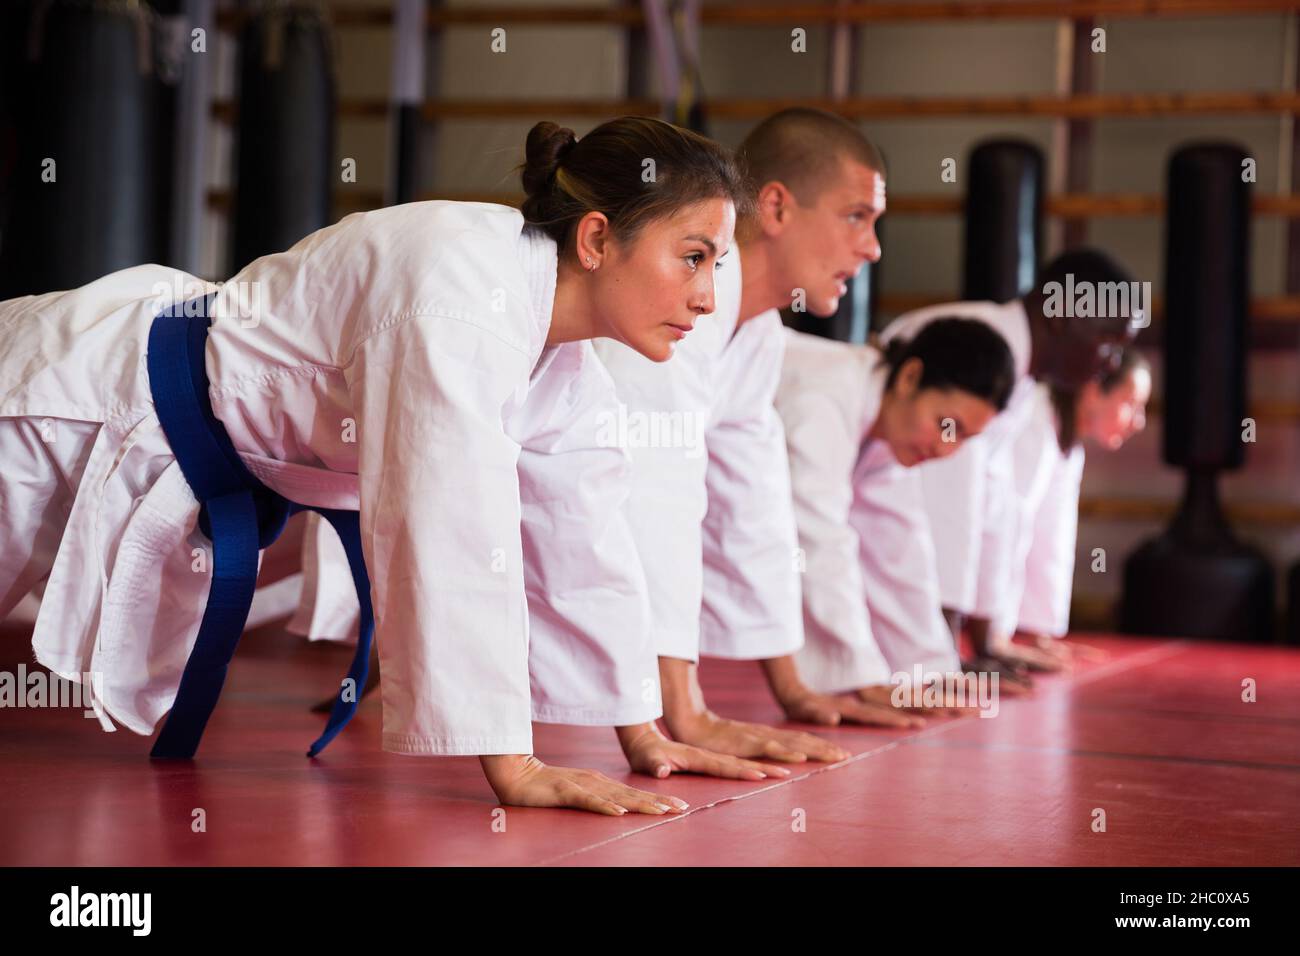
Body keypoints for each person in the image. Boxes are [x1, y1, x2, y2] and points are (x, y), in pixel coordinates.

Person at [0, 115, 751, 816]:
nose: (709, 297)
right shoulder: (460, 299)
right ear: (595, 239)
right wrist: (513, 766)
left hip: (160, 425)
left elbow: (582, 537)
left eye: (716, 264)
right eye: (692, 257)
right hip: (62, 398)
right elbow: (449, 522)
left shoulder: (558, 363)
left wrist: (640, 733)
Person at [875, 249, 1143, 681]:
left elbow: (996, 506)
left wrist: (986, 644)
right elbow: (949, 505)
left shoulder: (1021, 374)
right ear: (1062, 315)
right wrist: (941, 657)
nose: (1109, 364)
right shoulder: (983, 345)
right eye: (1109, 341)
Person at [768, 319, 1016, 711]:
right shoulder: (828, 393)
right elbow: (818, 536)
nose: (947, 449)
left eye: (964, 438)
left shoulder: (888, 423)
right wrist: (861, 674)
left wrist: (930, 668)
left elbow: (898, 546)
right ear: (910, 376)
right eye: (947, 425)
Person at [990, 347, 1152, 672]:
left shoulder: (1066, 442)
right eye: (1130, 403)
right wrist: (993, 638)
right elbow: (1006, 526)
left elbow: (1049, 541)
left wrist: (1038, 632)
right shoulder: (1033, 418)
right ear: (1093, 391)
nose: (1139, 421)